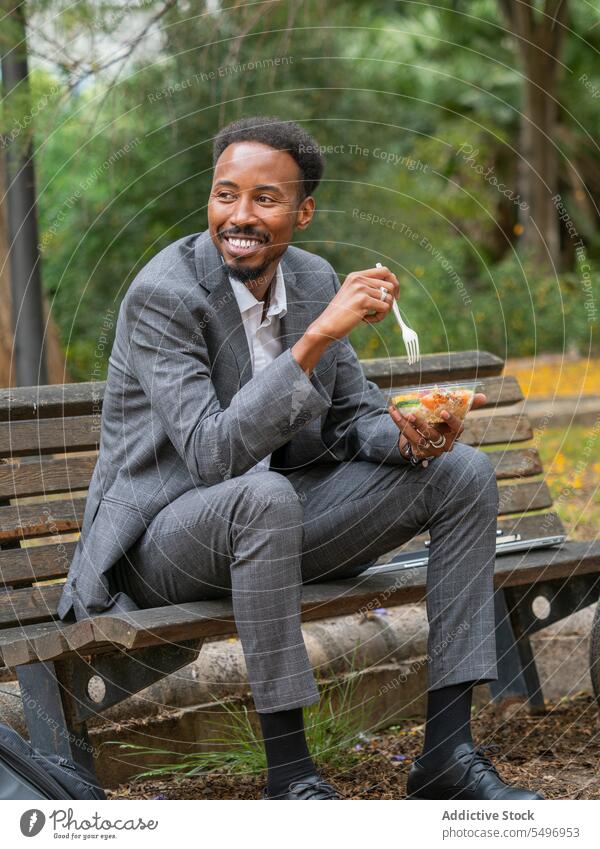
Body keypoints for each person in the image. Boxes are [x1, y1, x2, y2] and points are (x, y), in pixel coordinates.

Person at [57, 115, 542, 801]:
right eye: (226, 195)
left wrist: (404, 436)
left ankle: (448, 753)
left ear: (304, 211)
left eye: (265, 198)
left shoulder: (310, 279)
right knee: (265, 498)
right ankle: (291, 774)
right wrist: (313, 339)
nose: (240, 216)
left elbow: (352, 417)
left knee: (463, 474)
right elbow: (210, 451)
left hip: (275, 528)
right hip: (162, 543)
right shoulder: (164, 296)